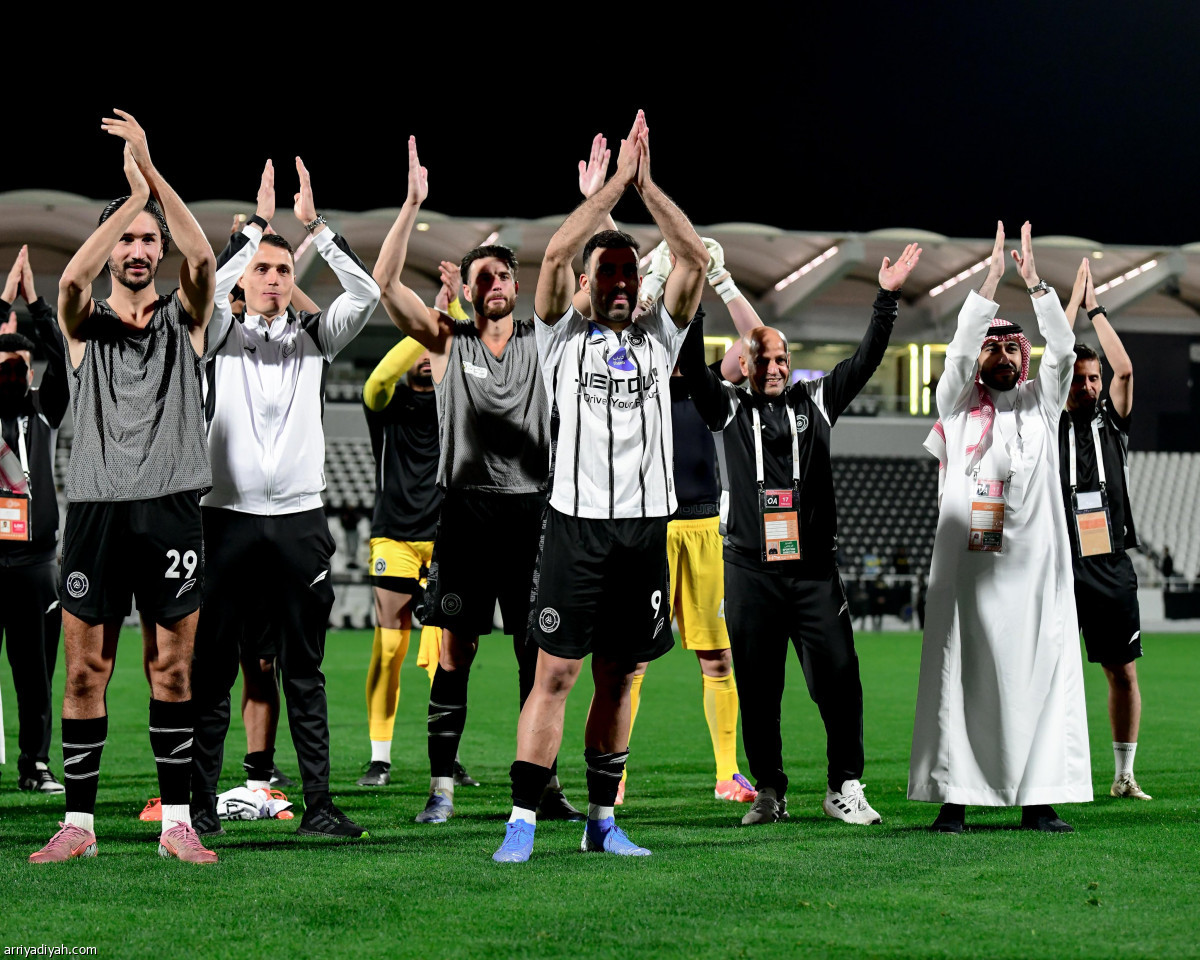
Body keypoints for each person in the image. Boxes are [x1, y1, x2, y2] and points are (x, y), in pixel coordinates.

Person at [493, 110, 709, 863]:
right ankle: (521, 822)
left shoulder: (662, 337)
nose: (620, 282)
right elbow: (556, 252)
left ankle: (603, 822)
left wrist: (645, 189)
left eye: (628, 272)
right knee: (555, 673)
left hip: (645, 533)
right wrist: (610, 189)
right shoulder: (559, 336)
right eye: (607, 273)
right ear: (586, 286)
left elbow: (693, 258)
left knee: (621, 677)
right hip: (576, 528)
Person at [677, 239, 920, 827]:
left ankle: (844, 786)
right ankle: (770, 790)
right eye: (762, 360)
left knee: (839, 680)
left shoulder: (817, 400)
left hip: (813, 573)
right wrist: (696, 285)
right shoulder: (727, 408)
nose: (774, 368)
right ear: (744, 365)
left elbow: (866, 358)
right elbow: (689, 356)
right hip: (749, 571)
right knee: (759, 690)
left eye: (782, 359)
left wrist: (885, 300)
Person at [372, 138, 578, 824]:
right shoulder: (445, 339)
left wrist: (592, 202)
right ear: (465, 289)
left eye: (502, 275)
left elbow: (564, 265)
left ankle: (542, 787)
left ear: (515, 287)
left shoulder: (543, 338)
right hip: (464, 516)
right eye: (480, 276)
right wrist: (411, 204)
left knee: (536, 655)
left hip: (531, 515)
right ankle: (442, 789)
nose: (493, 283)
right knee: (454, 653)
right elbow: (385, 283)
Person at [31, 111, 217, 864]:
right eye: (127, 239)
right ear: (111, 247)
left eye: (148, 240)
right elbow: (70, 280)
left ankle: (177, 824)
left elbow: (202, 257)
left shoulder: (186, 319)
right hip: (97, 512)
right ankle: (79, 825)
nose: (138, 250)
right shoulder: (84, 326)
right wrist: (130, 199)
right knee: (85, 670)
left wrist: (151, 176)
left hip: (172, 510)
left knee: (172, 669)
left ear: (159, 251)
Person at [189, 158, 379, 840]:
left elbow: (367, 294)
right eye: (262, 270)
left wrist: (315, 229)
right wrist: (255, 232)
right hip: (227, 520)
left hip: (299, 521)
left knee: (304, 670)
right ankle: (198, 807)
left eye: (282, 270)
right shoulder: (216, 335)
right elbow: (205, 288)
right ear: (245, 279)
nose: (273, 279)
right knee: (212, 670)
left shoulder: (314, 340)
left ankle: (319, 806)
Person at [911, 221, 1092, 833]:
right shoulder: (957, 406)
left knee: (1041, 677)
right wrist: (989, 283)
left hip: (1037, 572)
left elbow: (1063, 351)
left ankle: (1039, 801)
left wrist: (1037, 286)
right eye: (995, 348)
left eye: (1014, 349)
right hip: (970, 573)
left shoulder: (1044, 402)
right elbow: (959, 353)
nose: (1005, 357)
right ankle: (954, 800)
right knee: (961, 675)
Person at [613, 231, 762, 806]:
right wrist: (655, 266)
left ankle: (727, 773)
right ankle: (614, 774)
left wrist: (721, 280)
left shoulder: (710, 385)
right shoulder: (637, 375)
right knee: (632, 661)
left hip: (703, 530)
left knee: (718, 657)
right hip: (649, 528)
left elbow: (758, 344)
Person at [357, 260, 477, 788]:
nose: (427, 359)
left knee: (444, 656)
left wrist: (454, 310)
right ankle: (380, 756)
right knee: (390, 647)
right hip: (394, 537)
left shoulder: (457, 402)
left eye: (434, 350)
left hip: (447, 540)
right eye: (421, 351)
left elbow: (472, 352)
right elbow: (380, 376)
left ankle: (445, 756)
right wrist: (431, 320)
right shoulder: (384, 404)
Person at [1059, 259, 1149, 800]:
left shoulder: (1111, 420)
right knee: (1051, 673)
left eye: (1094, 377)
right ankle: (1050, 774)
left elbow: (1127, 370)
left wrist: (1095, 308)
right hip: (1060, 561)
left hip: (1110, 561)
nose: (1090, 385)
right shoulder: (1048, 419)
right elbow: (1053, 358)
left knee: (1122, 673)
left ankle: (1123, 774)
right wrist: (1069, 307)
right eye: (1080, 378)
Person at [0, 247, 66, 794]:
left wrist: (37, 305)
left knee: (36, 674)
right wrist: (3, 304)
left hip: (35, 564)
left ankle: (35, 764)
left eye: (22, 365)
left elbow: (65, 357)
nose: (15, 373)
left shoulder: (44, 409)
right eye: (5, 365)